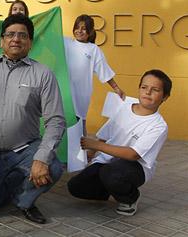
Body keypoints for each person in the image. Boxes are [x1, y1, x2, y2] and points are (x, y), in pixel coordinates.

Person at [0, 14, 65, 224]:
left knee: (53, 167)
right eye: (10, 34)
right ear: (2, 40)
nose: (16, 39)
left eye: (22, 35)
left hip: (26, 149)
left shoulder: (43, 74)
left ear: (30, 42)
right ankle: (10, 185)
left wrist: (41, 158)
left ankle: (24, 201)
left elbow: (56, 120)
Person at [67, 69, 172, 216]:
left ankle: (130, 198)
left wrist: (96, 146)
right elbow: (106, 133)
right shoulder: (124, 107)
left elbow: (133, 154)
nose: (147, 92)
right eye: (144, 87)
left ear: (165, 97)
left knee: (111, 173)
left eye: (155, 90)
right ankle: (112, 188)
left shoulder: (158, 126)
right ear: (139, 88)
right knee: (75, 187)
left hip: (135, 167)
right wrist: (91, 153)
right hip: (108, 163)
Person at [64, 14, 125, 135]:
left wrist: (116, 88)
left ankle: (82, 152)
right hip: (64, 92)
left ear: (90, 31)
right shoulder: (65, 42)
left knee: (79, 125)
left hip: (81, 94)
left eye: (84, 28)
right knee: (62, 123)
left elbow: (104, 71)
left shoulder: (93, 49)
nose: (79, 31)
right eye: (77, 27)